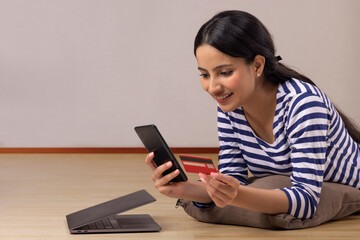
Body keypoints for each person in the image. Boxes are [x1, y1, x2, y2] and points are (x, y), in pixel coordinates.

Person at [145, 10, 360, 220]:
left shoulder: (302, 104)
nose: (212, 87)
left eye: (225, 72)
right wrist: (184, 189)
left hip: (347, 188)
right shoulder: (230, 108)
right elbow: (232, 180)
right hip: (288, 183)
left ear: (257, 65)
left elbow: (306, 202)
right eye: (204, 74)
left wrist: (237, 195)